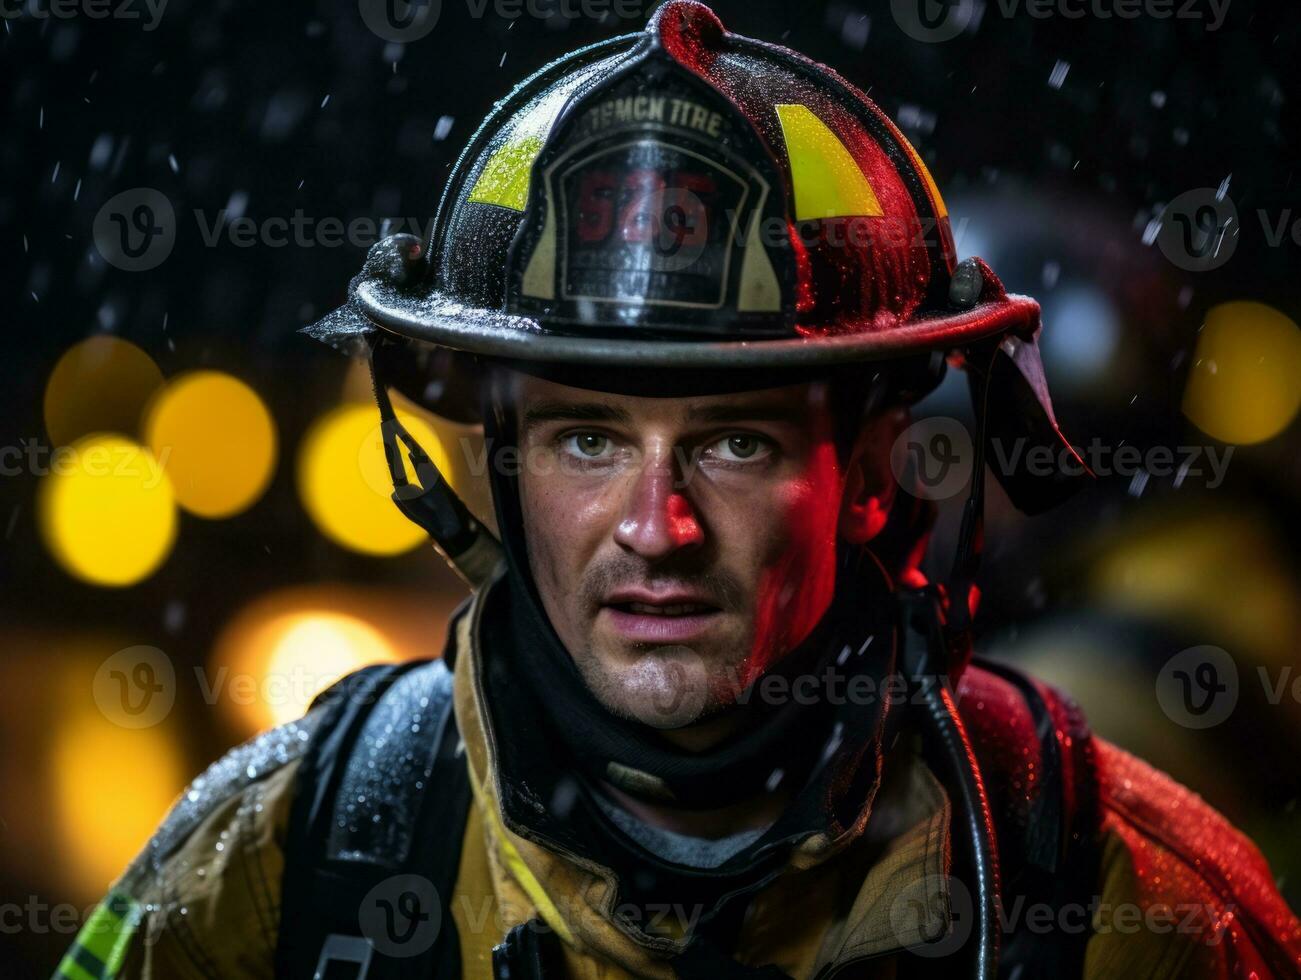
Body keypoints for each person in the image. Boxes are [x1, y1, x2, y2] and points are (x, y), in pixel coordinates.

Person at [56, 4, 1301, 978]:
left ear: (870, 472)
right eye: (586, 441)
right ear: (496, 464)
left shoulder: (1119, 899)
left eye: (736, 443)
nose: (656, 528)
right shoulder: (282, 854)